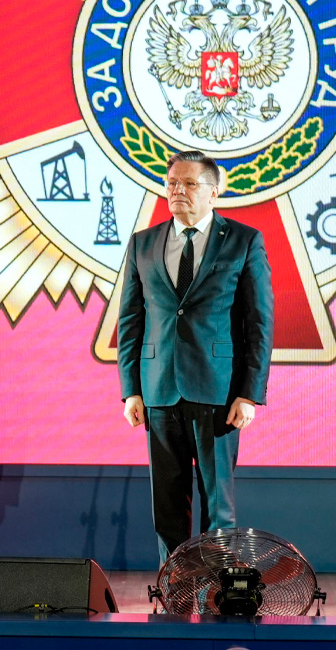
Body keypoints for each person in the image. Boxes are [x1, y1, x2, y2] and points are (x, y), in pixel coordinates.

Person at [118, 149, 273, 563]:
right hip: (158, 391)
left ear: (214, 191)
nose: (178, 191)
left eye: (189, 183)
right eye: (172, 183)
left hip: (218, 393)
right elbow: (130, 321)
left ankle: (215, 586)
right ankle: (175, 587)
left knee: (217, 506)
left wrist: (249, 393)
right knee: (167, 507)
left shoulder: (243, 241)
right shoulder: (143, 243)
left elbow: (259, 323)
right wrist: (131, 390)